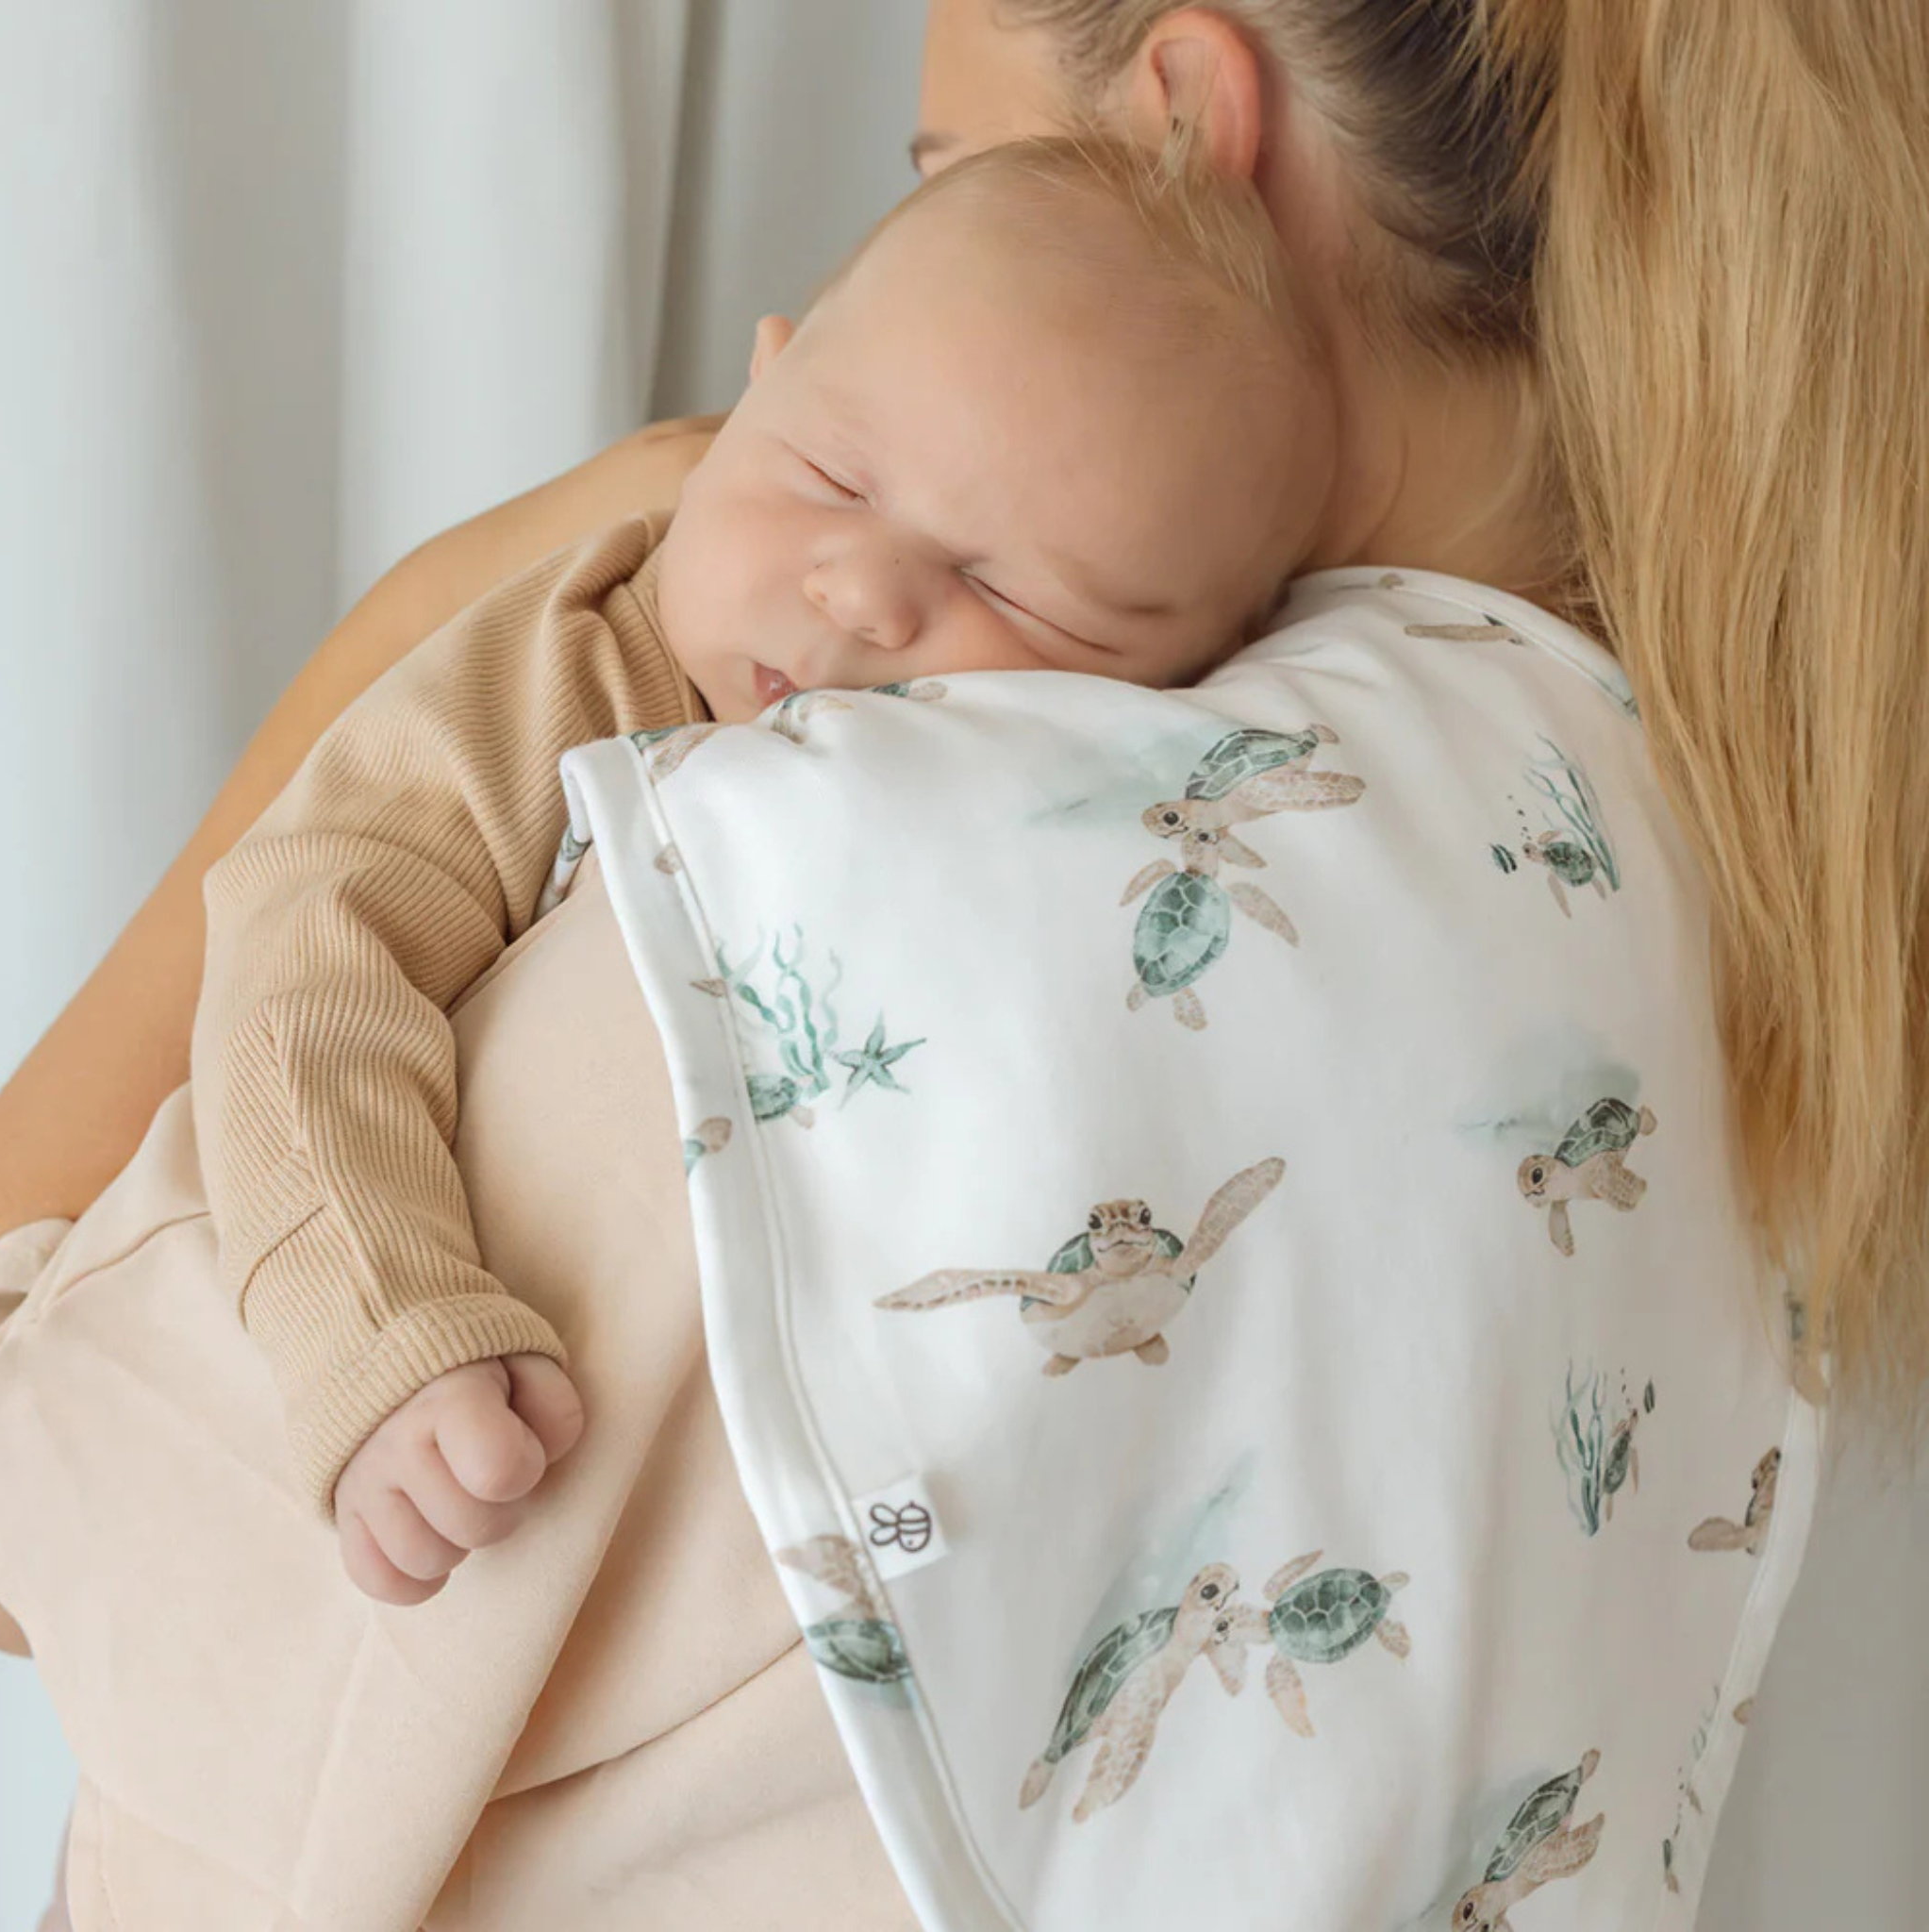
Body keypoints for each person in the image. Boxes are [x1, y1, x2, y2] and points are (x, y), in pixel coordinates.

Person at [0, 0, 1921, 1923]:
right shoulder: (1699, 876)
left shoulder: (805, 902)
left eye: (947, 172)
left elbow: (86, 1515)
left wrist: (431, 625)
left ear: (1183, 119)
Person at [190, 129, 1331, 1596]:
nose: (861, 591)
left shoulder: (1109, 826)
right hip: (368, 1398)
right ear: (759, 384)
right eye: (830, 475)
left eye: (1014, 592)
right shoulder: (562, 679)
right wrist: (384, 1332)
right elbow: (304, 962)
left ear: (1187, 677)